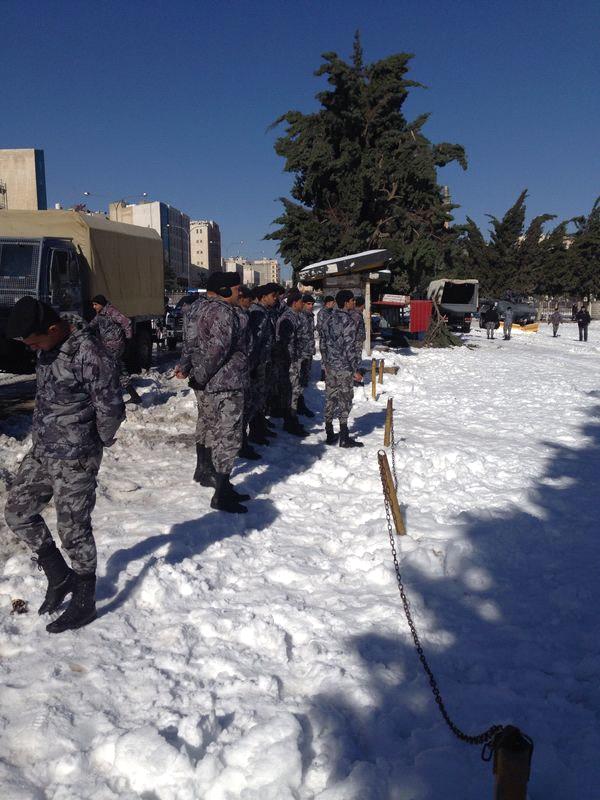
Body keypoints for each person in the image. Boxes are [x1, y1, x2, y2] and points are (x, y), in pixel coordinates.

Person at [4, 297, 125, 633]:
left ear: (54, 329)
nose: (32, 348)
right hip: (43, 450)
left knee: (73, 529)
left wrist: (93, 443)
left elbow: (111, 407)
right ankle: (59, 576)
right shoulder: (48, 347)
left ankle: (85, 600)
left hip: (76, 455)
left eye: (34, 342)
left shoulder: (90, 354)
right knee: (17, 512)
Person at [175, 272, 250, 514]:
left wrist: (193, 371)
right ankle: (221, 495)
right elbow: (218, 349)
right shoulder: (223, 312)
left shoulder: (202, 308)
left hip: (214, 384)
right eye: (237, 289)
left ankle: (221, 484)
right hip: (226, 384)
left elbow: (193, 343)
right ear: (225, 290)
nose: (240, 293)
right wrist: (200, 375)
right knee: (228, 437)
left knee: (216, 431)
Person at [322, 290, 364, 447]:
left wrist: (325, 364)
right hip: (344, 367)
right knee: (345, 400)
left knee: (330, 398)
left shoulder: (328, 319)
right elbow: (349, 347)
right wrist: (355, 370)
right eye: (352, 300)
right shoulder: (348, 321)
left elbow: (323, 344)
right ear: (346, 302)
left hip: (331, 367)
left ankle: (329, 433)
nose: (354, 303)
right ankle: (344, 437)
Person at [90, 294, 141, 404]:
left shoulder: (111, 312)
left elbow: (126, 322)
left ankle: (110, 397)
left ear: (101, 304)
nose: (94, 307)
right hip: (107, 347)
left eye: (95, 304)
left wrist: (129, 338)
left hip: (115, 347)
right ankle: (134, 396)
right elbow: (92, 325)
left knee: (109, 369)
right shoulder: (100, 314)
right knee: (119, 370)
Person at [247, 284, 278, 444]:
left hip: (264, 361)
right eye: (273, 296)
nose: (276, 299)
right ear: (264, 297)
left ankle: (260, 427)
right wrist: (253, 365)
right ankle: (254, 432)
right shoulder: (257, 312)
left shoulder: (265, 311)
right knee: (254, 398)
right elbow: (254, 342)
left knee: (261, 397)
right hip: (257, 363)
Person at [275, 289, 307, 436]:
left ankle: (291, 419)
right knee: (291, 391)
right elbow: (285, 343)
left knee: (293, 390)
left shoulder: (295, 316)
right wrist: (291, 362)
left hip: (293, 360)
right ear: (294, 303)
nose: (303, 304)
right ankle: (290, 421)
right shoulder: (287, 318)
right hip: (288, 361)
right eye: (301, 302)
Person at [297, 294, 316, 418]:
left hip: (308, 352)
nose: (311, 306)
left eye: (312, 304)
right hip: (300, 354)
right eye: (308, 304)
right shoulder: (299, 316)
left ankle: (300, 403)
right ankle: (297, 405)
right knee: (297, 381)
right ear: (303, 304)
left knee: (304, 381)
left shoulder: (310, 316)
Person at [317, 296, 335, 381]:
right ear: (328, 303)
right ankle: (323, 376)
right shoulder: (321, 313)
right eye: (332, 302)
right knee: (324, 359)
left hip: (333, 341)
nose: (334, 304)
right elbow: (320, 327)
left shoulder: (333, 312)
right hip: (325, 340)